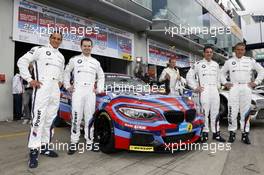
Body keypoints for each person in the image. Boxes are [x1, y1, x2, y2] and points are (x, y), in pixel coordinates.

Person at [17, 31, 65, 168]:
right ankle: (33, 150)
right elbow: (22, 61)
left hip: (55, 92)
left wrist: (61, 81)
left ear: (61, 41)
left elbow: (61, 73)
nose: (56, 40)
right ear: (49, 38)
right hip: (42, 90)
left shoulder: (61, 56)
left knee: (49, 121)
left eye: (59, 39)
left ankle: (44, 147)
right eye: (54, 38)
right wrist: (30, 80)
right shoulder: (39, 50)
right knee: (38, 120)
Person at [64, 38, 105, 155]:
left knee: (89, 118)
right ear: (81, 47)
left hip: (90, 93)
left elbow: (101, 76)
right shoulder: (75, 60)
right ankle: (74, 141)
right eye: (85, 46)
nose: (87, 48)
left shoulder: (96, 62)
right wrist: (67, 86)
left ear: (92, 47)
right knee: (76, 117)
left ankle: (90, 142)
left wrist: (99, 89)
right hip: (78, 91)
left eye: (89, 46)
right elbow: (66, 72)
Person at [221, 42, 264, 144]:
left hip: (246, 87)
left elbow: (261, 70)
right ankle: (232, 133)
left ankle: (245, 134)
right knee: (232, 112)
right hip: (234, 87)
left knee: (245, 113)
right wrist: (225, 83)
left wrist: (256, 82)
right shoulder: (229, 62)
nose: (239, 51)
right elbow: (221, 73)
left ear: (244, 51)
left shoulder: (250, 61)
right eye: (238, 49)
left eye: (242, 49)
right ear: (235, 50)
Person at [186, 46, 225, 143]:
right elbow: (189, 76)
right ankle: (205, 133)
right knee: (204, 113)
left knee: (215, 112)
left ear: (212, 54)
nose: (209, 54)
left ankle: (216, 133)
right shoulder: (198, 64)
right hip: (204, 90)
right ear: (203, 53)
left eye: (211, 52)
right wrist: (195, 87)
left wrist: (219, 86)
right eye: (207, 52)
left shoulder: (216, 65)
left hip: (214, 90)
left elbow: (219, 77)